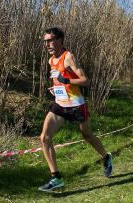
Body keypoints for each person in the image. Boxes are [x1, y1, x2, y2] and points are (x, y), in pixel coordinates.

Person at [39, 27, 113, 192]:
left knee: (87, 135)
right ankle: (56, 178)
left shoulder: (68, 57)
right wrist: (56, 87)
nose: (48, 44)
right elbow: (58, 80)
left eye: (50, 40)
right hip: (60, 103)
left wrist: (65, 79)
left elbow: (85, 81)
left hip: (76, 104)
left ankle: (106, 157)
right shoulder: (51, 60)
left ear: (60, 40)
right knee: (45, 137)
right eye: (46, 41)